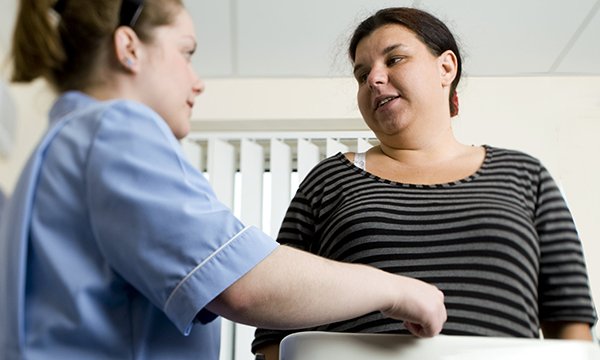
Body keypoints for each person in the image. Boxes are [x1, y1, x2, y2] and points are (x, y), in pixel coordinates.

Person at [0, 1, 448, 359]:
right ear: (129, 48)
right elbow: (246, 284)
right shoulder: (115, 129)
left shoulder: (59, 147)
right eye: (186, 53)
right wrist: (398, 289)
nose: (198, 83)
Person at [252, 6, 597, 359]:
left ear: (446, 67)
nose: (374, 78)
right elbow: (273, 332)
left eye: (395, 59)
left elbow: (569, 322)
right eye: (361, 74)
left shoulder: (525, 175)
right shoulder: (328, 181)